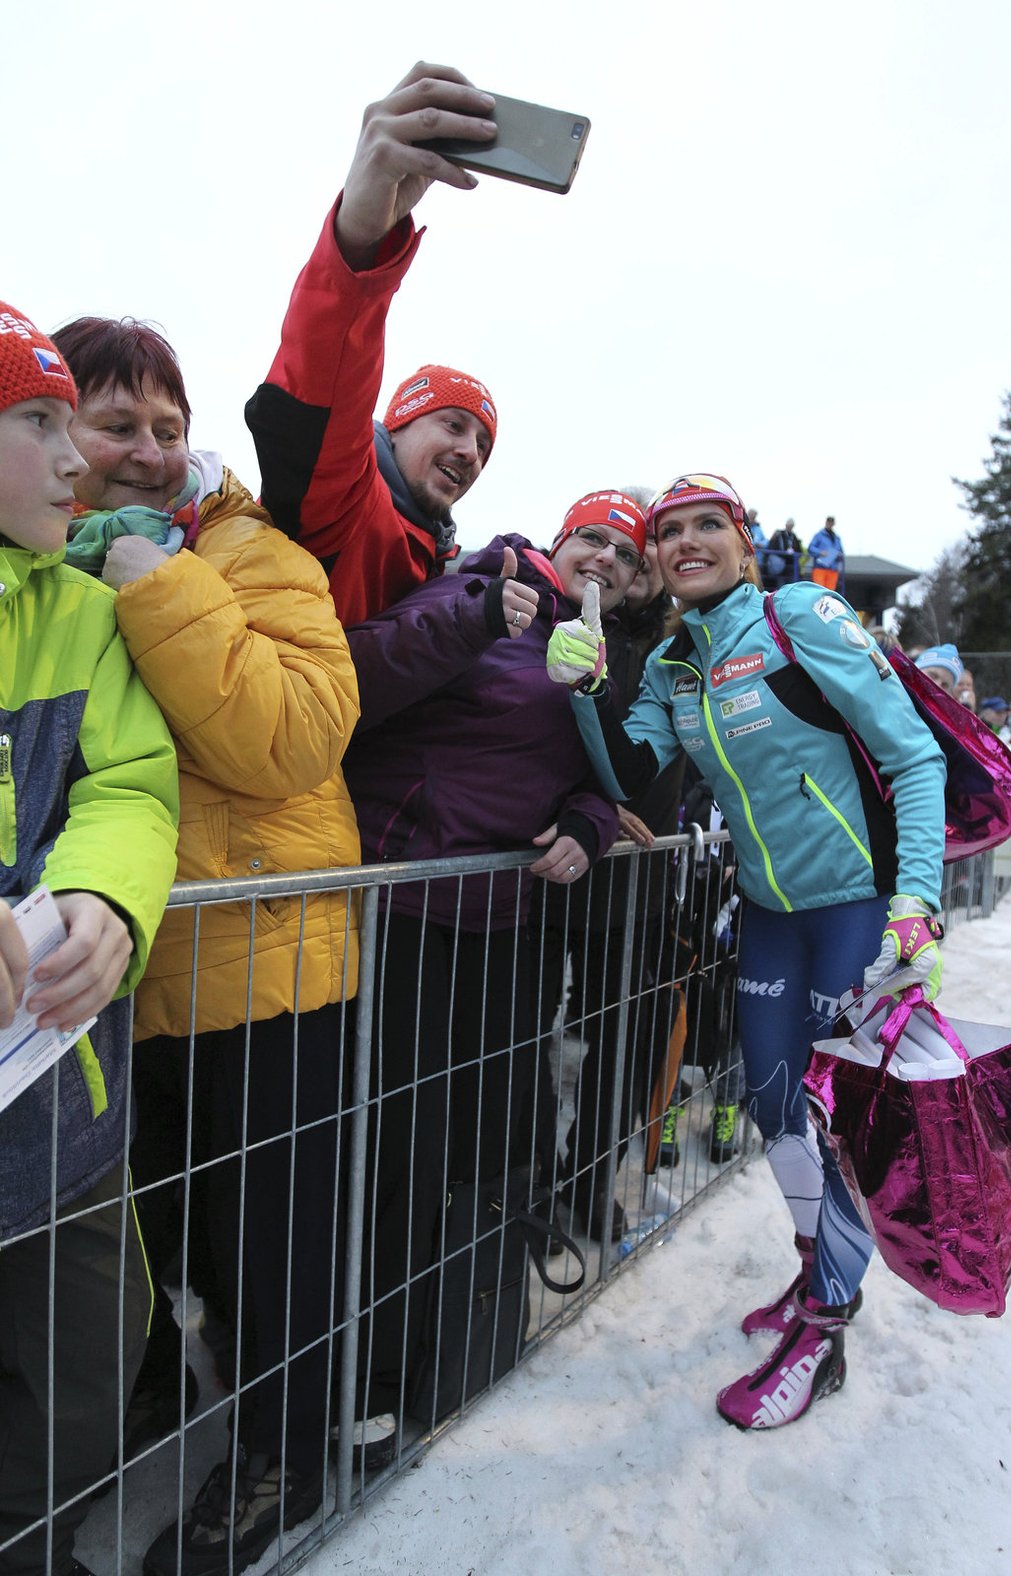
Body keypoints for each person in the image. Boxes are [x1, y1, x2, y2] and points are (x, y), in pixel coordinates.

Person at [51, 316, 362, 1576]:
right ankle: (163, 1405)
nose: (144, 451)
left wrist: (150, 577)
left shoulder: (248, 552)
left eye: (167, 429)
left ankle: (288, 1453)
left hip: (272, 957)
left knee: (277, 1251)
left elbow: (292, 737)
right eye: (113, 424)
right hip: (129, 974)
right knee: (162, 1240)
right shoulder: (37, 562)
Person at [547, 472, 946, 1430]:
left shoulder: (798, 614)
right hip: (768, 914)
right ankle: (818, 1267)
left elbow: (913, 754)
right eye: (669, 532)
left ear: (742, 537)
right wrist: (585, 689)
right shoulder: (676, 661)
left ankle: (827, 1325)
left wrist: (920, 901)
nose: (688, 543)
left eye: (708, 526)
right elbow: (633, 776)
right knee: (772, 1104)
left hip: (856, 911)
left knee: (834, 1120)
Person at [341, 490, 634, 1459]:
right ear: (558, 539)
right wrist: (479, 617)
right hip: (411, 910)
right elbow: (369, 683)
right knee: (394, 1154)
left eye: (624, 554)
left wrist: (590, 828)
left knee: (488, 1147)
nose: (605, 557)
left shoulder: (599, 661)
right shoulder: (483, 588)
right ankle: (365, 1381)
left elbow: (604, 780)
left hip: (508, 927)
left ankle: (456, 1349)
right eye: (593, 535)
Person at [0, 305, 179, 1576]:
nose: (80, 463)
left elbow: (131, 782)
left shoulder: (85, 611)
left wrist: (111, 896)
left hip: (60, 1090)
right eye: (41, 422)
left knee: (89, 1359)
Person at [246, 63, 502, 626]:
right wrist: (361, 243)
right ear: (399, 421)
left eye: (484, 445)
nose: (470, 453)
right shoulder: (346, 500)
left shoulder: (445, 563)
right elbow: (324, 383)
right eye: (454, 425)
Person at [527, 520, 686, 1242]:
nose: (632, 563)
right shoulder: (566, 623)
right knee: (522, 1042)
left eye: (642, 553)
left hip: (634, 885)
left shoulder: (673, 650)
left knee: (618, 1044)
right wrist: (590, 807)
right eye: (624, 550)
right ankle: (525, 1182)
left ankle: (586, 1179)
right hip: (548, 872)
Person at [763, 517, 804, 590]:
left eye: (791, 525)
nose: (790, 527)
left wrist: (792, 552)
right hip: (780, 567)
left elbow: (799, 551)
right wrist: (785, 553)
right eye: (789, 525)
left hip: (791, 567)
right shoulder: (779, 534)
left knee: (791, 588)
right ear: (786, 525)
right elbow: (771, 547)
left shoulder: (794, 536)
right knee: (780, 587)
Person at [807, 514, 845, 591]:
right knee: (819, 591)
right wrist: (820, 552)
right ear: (826, 522)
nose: (830, 524)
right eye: (828, 521)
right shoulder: (819, 535)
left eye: (831, 522)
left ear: (834, 524)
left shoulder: (837, 538)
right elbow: (810, 548)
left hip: (833, 569)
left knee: (830, 594)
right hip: (820, 568)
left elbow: (841, 553)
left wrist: (838, 555)